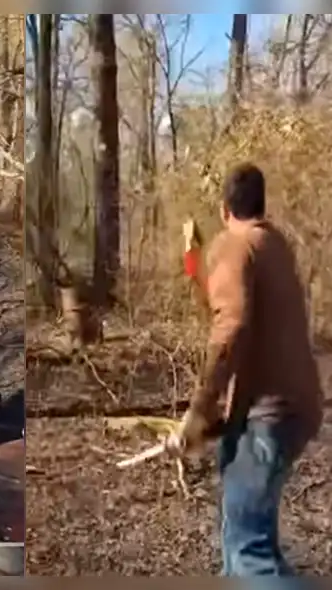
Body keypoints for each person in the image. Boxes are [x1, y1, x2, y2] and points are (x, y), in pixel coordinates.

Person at [172, 162, 323, 577]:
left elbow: (231, 326)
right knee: (247, 545)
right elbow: (234, 311)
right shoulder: (273, 243)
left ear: (225, 209)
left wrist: (198, 410)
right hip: (291, 408)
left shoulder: (235, 246)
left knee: (248, 554)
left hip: (269, 416)